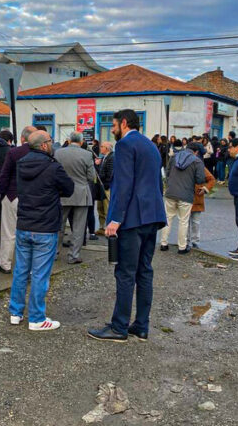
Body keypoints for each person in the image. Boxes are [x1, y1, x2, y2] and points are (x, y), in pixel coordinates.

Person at [88, 109, 166, 342]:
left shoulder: (124, 145)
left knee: (124, 273)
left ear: (123, 123)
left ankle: (119, 327)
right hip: (152, 216)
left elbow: (123, 184)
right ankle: (141, 325)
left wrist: (115, 219)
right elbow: (157, 182)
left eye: (113, 126)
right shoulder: (151, 146)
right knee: (144, 272)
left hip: (132, 219)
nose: (112, 130)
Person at [9, 131, 74, 331]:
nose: (53, 144)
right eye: (50, 141)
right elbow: (69, 188)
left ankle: (15, 312)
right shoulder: (53, 166)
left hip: (24, 224)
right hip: (45, 226)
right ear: (44, 145)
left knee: (21, 270)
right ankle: (37, 318)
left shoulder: (21, 164)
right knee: (40, 274)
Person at [0, 126, 37, 274]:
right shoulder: (43, 154)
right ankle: (30, 268)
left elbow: (4, 175)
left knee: (9, 232)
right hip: (34, 197)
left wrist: (1, 193)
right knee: (32, 233)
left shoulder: (13, 152)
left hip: (13, 195)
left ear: (22, 138)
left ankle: (5, 263)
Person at [54, 131, 95, 265]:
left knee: (59, 225)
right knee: (78, 227)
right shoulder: (87, 154)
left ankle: (54, 252)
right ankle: (74, 255)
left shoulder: (58, 153)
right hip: (81, 193)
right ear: (82, 142)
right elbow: (91, 176)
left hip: (62, 193)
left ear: (69, 140)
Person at [159, 139, 206, 254]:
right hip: (186, 194)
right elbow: (200, 179)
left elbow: (167, 173)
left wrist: (170, 184)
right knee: (183, 221)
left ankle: (163, 244)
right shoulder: (197, 161)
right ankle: (182, 247)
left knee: (168, 218)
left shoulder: (174, 157)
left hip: (171, 192)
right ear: (196, 152)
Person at [188, 143, 216, 249]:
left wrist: (205, 188)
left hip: (196, 197)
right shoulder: (182, 163)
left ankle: (195, 241)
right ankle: (185, 241)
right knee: (185, 222)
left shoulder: (199, 165)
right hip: (186, 196)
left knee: (195, 221)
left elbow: (211, 179)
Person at [95, 142, 115, 235]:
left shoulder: (112, 157)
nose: (100, 148)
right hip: (101, 187)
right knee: (100, 208)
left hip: (106, 187)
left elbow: (110, 174)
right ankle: (101, 227)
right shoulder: (104, 157)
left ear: (107, 148)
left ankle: (109, 229)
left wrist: (105, 184)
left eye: (102, 146)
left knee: (107, 208)